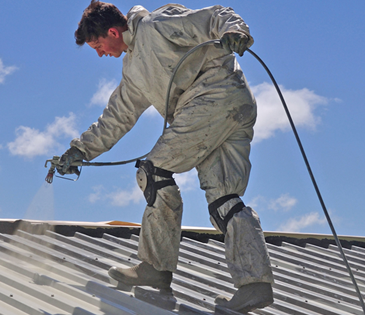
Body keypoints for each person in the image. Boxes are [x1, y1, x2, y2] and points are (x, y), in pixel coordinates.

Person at [57, 1, 274, 312]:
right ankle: (255, 285)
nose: (99, 53)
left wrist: (235, 30)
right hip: (234, 104)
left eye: (98, 45)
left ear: (113, 31)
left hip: (211, 96)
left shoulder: (157, 25)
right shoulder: (134, 70)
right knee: (224, 200)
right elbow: (117, 117)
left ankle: (155, 270)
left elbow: (212, 15)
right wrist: (80, 150)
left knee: (153, 171)